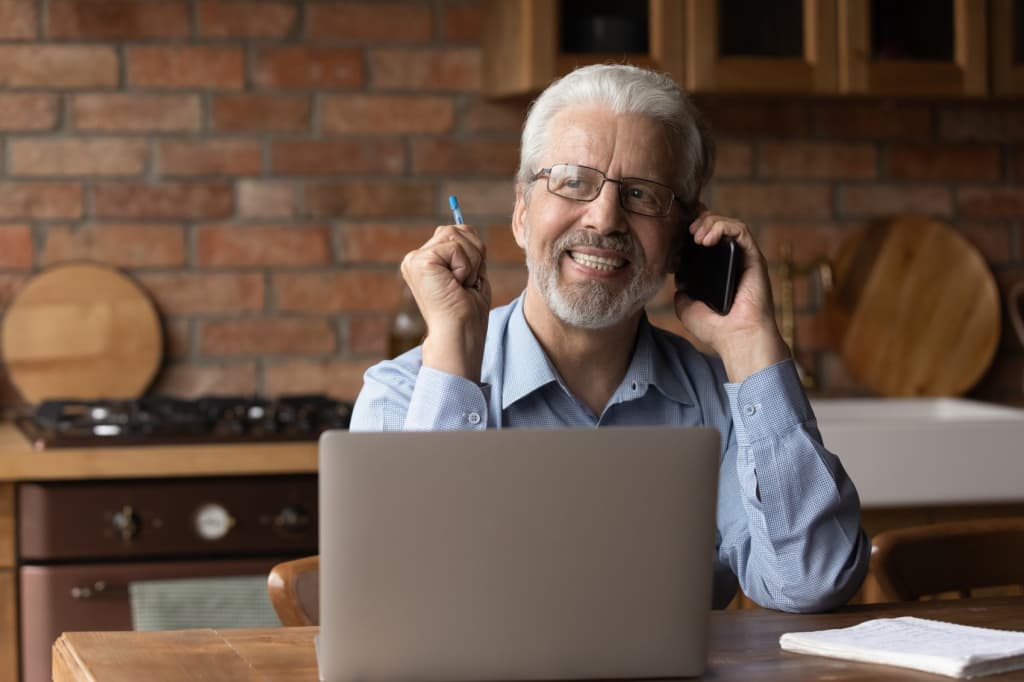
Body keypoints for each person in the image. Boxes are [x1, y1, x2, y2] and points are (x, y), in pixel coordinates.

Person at [350, 63, 870, 613]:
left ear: (681, 241)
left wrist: (752, 343)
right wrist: (454, 349)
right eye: (573, 181)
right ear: (523, 212)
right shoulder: (403, 397)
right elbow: (406, 608)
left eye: (643, 195)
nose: (605, 218)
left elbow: (813, 580)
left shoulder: (723, 401)